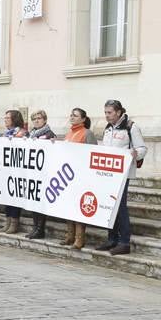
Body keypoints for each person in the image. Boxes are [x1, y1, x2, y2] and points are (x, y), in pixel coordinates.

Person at [97, 100, 146, 256]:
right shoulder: (108, 128)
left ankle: (124, 242)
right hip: (108, 174)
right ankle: (112, 238)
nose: (107, 115)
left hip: (123, 174)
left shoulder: (131, 127)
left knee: (120, 207)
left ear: (118, 112)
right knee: (110, 206)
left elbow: (142, 148)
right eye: (105, 112)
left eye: (109, 112)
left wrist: (135, 153)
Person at [61, 108, 97, 249]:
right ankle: (69, 235)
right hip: (68, 176)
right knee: (68, 206)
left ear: (83, 119)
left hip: (82, 177)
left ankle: (79, 238)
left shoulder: (87, 133)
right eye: (71, 115)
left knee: (78, 208)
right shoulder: (69, 133)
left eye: (75, 115)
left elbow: (93, 153)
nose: (72, 117)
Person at [25, 110, 56, 240]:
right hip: (32, 173)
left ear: (45, 120)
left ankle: (40, 229)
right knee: (33, 201)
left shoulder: (49, 134)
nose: (37, 121)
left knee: (40, 202)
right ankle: (35, 226)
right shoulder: (30, 134)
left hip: (44, 174)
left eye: (39, 118)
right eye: (34, 119)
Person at [1, 110, 28, 234]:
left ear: (14, 119)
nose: (5, 120)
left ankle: (14, 222)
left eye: (8, 118)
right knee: (7, 196)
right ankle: (7, 220)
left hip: (17, 171)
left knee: (15, 196)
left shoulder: (22, 133)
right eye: (5, 117)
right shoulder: (6, 133)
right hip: (6, 170)